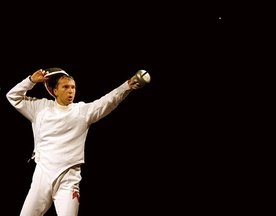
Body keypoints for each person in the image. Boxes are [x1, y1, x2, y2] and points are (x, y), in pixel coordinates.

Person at [6, 67, 150, 216]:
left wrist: (127, 86)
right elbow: (12, 96)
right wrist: (30, 81)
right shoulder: (40, 108)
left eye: (73, 87)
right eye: (66, 87)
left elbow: (108, 101)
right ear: (55, 91)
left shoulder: (82, 112)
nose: (70, 91)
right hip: (42, 176)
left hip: (68, 180)